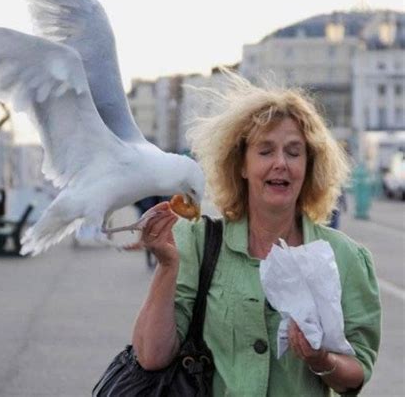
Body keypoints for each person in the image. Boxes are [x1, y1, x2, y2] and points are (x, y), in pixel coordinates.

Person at [131, 78, 381, 396]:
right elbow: (152, 356)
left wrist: (320, 359)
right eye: (265, 151)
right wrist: (166, 267)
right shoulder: (197, 241)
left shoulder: (344, 256)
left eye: (294, 152)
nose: (281, 163)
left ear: (309, 166)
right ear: (242, 165)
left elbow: (355, 374)